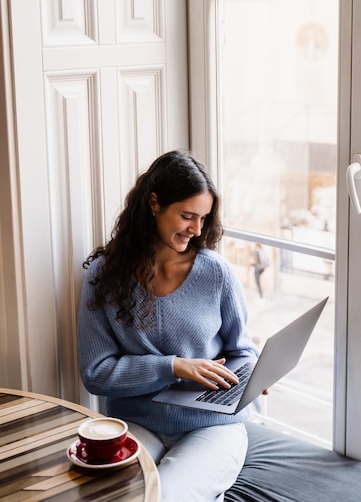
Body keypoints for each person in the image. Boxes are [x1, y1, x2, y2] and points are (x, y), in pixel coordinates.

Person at [77, 149, 260, 502]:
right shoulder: (104, 275)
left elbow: (243, 350)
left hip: (213, 427)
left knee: (168, 496)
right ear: (154, 204)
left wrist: (254, 374)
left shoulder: (215, 272)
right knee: (120, 496)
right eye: (187, 216)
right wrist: (173, 367)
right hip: (138, 423)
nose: (197, 229)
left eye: (204, 218)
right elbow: (95, 373)